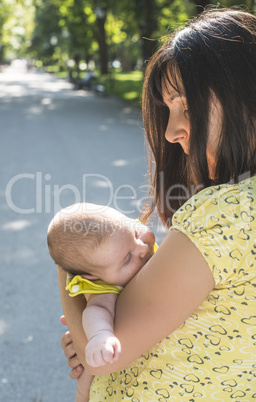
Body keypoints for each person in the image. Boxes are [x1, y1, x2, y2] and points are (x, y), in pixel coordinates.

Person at [58, 9, 256, 401]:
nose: (170, 132)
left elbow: (105, 359)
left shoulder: (228, 213)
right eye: (168, 110)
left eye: (189, 108)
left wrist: (69, 265)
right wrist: (87, 333)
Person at [47, 203, 156, 401]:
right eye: (126, 259)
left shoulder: (120, 246)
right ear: (92, 277)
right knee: (87, 382)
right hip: (128, 372)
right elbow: (97, 310)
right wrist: (100, 336)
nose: (141, 248)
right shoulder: (105, 287)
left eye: (134, 232)